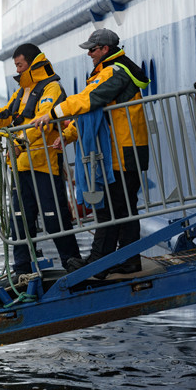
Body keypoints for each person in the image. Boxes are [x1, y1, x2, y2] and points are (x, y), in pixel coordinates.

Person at [32, 28, 150, 275]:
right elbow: (88, 110)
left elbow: (90, 100)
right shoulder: (106, 71)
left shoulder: (116, 71)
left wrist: (53, 114)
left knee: (120, 207)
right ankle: (117, 259)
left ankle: (104, 261)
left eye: (92, 49)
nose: (89, 54)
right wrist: (66, 135)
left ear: (105, 49)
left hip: (124, 150)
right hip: (116, 151)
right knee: (118, 207)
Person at [0, 43, 81, 278]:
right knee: (19, 219)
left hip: (45, 163)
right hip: (20, 166)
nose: (17, 70)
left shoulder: (51, 89)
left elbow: (42, 122)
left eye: (19, 65)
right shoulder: (22, 92)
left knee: (54, 216)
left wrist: (19, 143)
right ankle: (21, 267)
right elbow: (6, 115)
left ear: (31, 62)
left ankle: (71, 261)